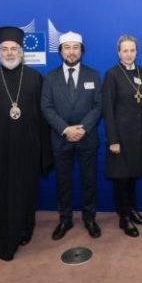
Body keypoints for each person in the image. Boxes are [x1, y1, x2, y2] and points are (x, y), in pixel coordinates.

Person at [0, 26, 52, 261]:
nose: (10, 53)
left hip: (28, 149)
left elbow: (44, 118)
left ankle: (25, 229)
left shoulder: (35, 78)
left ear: (22, 51)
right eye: (5, 49)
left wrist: (45, 151)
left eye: (14, 48)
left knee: (26, 192)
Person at [41, 31, 103, 240]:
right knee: (63, 181)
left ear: (81, 51)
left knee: (89, 180)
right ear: (60, 51)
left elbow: (98, 106)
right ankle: (65, 219)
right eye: (67, 47)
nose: (71, 52)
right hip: (61, 138)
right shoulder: (49, 77)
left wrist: (82, 128)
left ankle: (89, 219)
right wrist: (66, 130)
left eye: (75, 47)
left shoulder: (93, 75)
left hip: (87, 138)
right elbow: (46, 107)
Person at [102, 35, 142, 237]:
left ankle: (132, 210)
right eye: (125, 50)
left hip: (140, 135)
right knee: (121, 178)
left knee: (133, 175)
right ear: (118, 53)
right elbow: (108, 109)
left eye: (132, 50)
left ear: (137, 52)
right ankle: (124, 217)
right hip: (121, 138)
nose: (129, 54)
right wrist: (113, 140)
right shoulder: (112, 74)